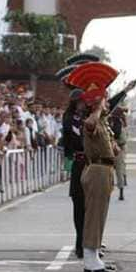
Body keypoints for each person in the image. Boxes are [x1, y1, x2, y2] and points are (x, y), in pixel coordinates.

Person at [66, 62, 121, 272]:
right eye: (104, 101)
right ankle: (90, 260)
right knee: (93, 216)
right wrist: (97, 106)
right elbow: (89, 125)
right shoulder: (90, 120)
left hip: (104, 170)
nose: (107, 105)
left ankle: (95, 255)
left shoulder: (103, 122)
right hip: (96, 170)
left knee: (100, 215)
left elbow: (112, 147)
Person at [62, 89, 87, 259]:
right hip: (79, 163)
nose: (82, 104)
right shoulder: (69, 119)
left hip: (91, 163)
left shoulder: (89, 117)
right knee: (79, 205)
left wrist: (125, 91)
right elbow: (72, 140)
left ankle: (89, 241)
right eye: (79, 102)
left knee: (91, 207)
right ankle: (80, 243)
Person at [110, 105, 129, 200]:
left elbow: (116, 134)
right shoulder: (118, 121)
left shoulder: (114, 121)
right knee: (119, 170)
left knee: (115, 170)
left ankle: (120, 190)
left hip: (115, 148)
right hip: (118, 148)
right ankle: (120, 190)